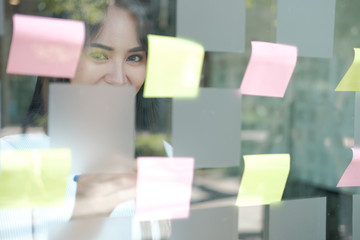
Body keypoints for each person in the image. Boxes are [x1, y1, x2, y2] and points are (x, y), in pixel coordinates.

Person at [0, 0, 170, 239]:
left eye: (134, 58)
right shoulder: (18, 157)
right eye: (100, 55)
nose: (119, 78)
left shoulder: (162, 155)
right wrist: (86, 213)